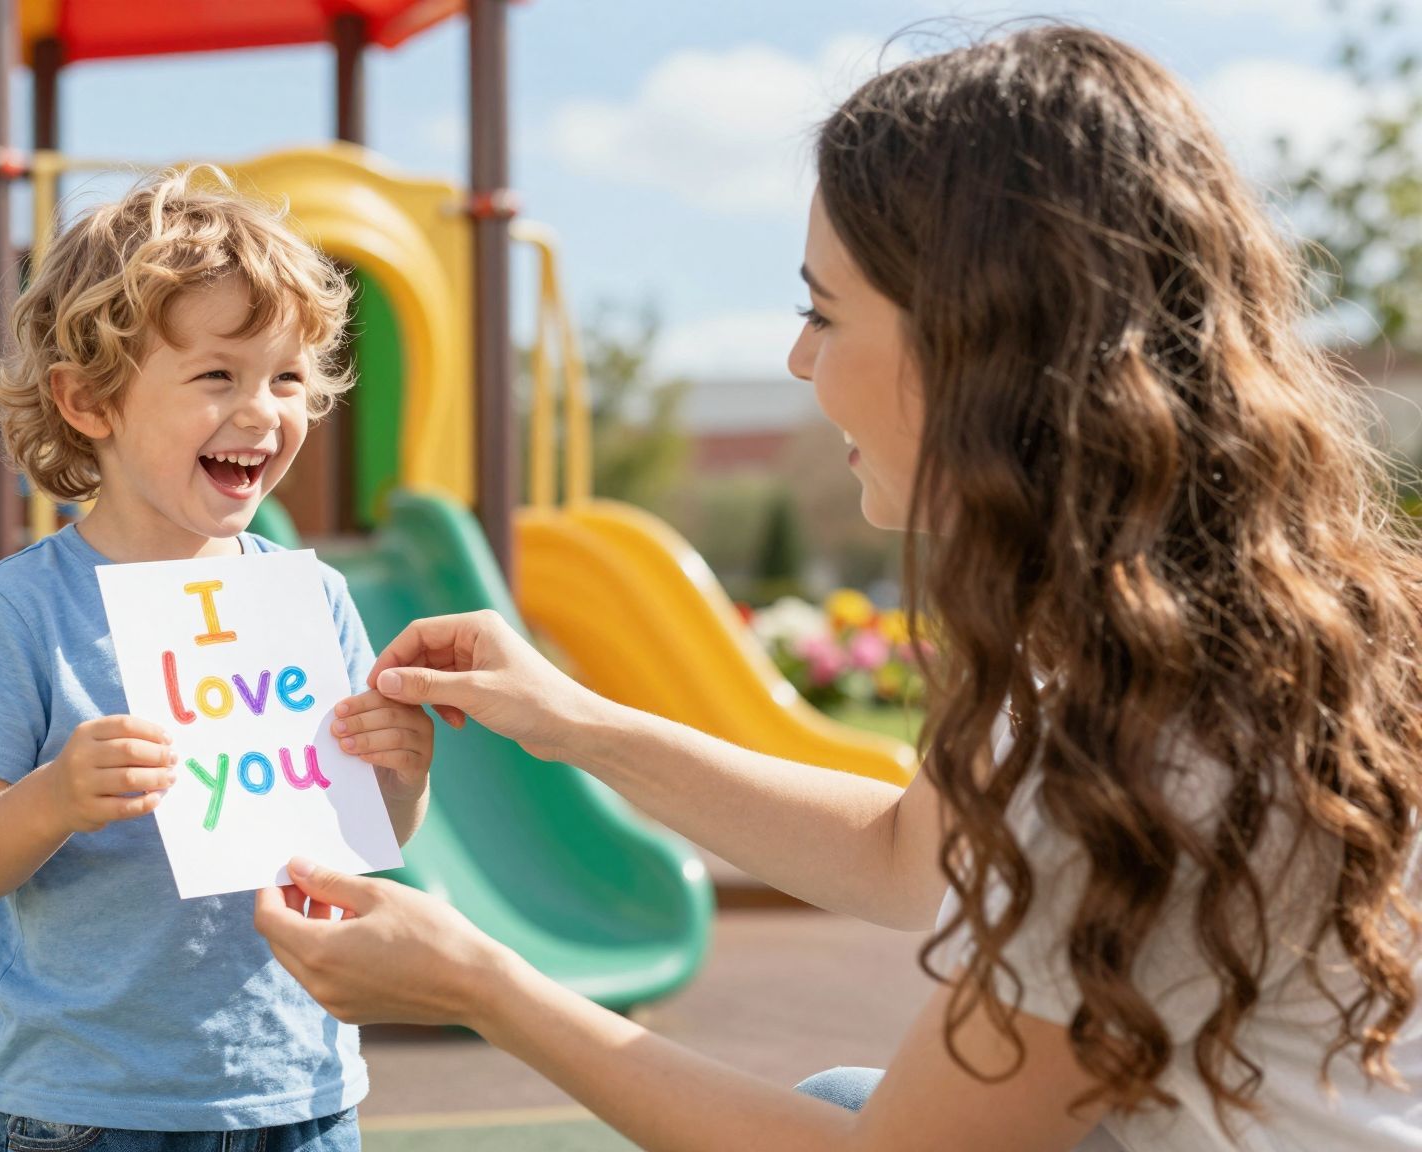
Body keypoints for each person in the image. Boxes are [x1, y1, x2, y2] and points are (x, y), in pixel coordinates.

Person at [257, 23, 1422, 1151]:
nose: (797, 358)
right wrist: (575, 725)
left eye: (821, 310)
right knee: (838, 1086)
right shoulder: (1165, 624)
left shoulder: (1143, 739)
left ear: (974, 345)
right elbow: (904, 856)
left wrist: (480, 983)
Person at [0, 168, 434, 1152]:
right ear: (88, 402)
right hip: (91, 1110)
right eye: (216, 376)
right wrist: (54, 796)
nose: (264, 410)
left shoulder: (308, 599)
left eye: (285, 378)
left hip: (302, 1094)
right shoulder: (20, 610)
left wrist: (400, 770)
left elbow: (368, 828)